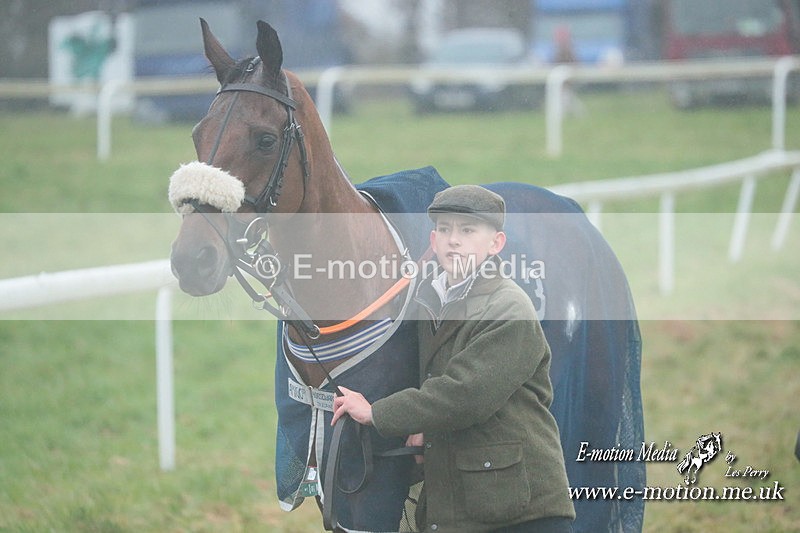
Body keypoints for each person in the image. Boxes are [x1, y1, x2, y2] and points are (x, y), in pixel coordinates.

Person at [332, 185, 575, 532]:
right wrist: (420, 423)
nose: (453, 240)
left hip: (522, 512)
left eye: (467, 230)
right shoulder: (429, 302)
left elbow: (464, 395)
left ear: (496, 244)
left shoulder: (509, 308)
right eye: (444, 230)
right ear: (433, 241)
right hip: (463, 506)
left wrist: (377, 413)